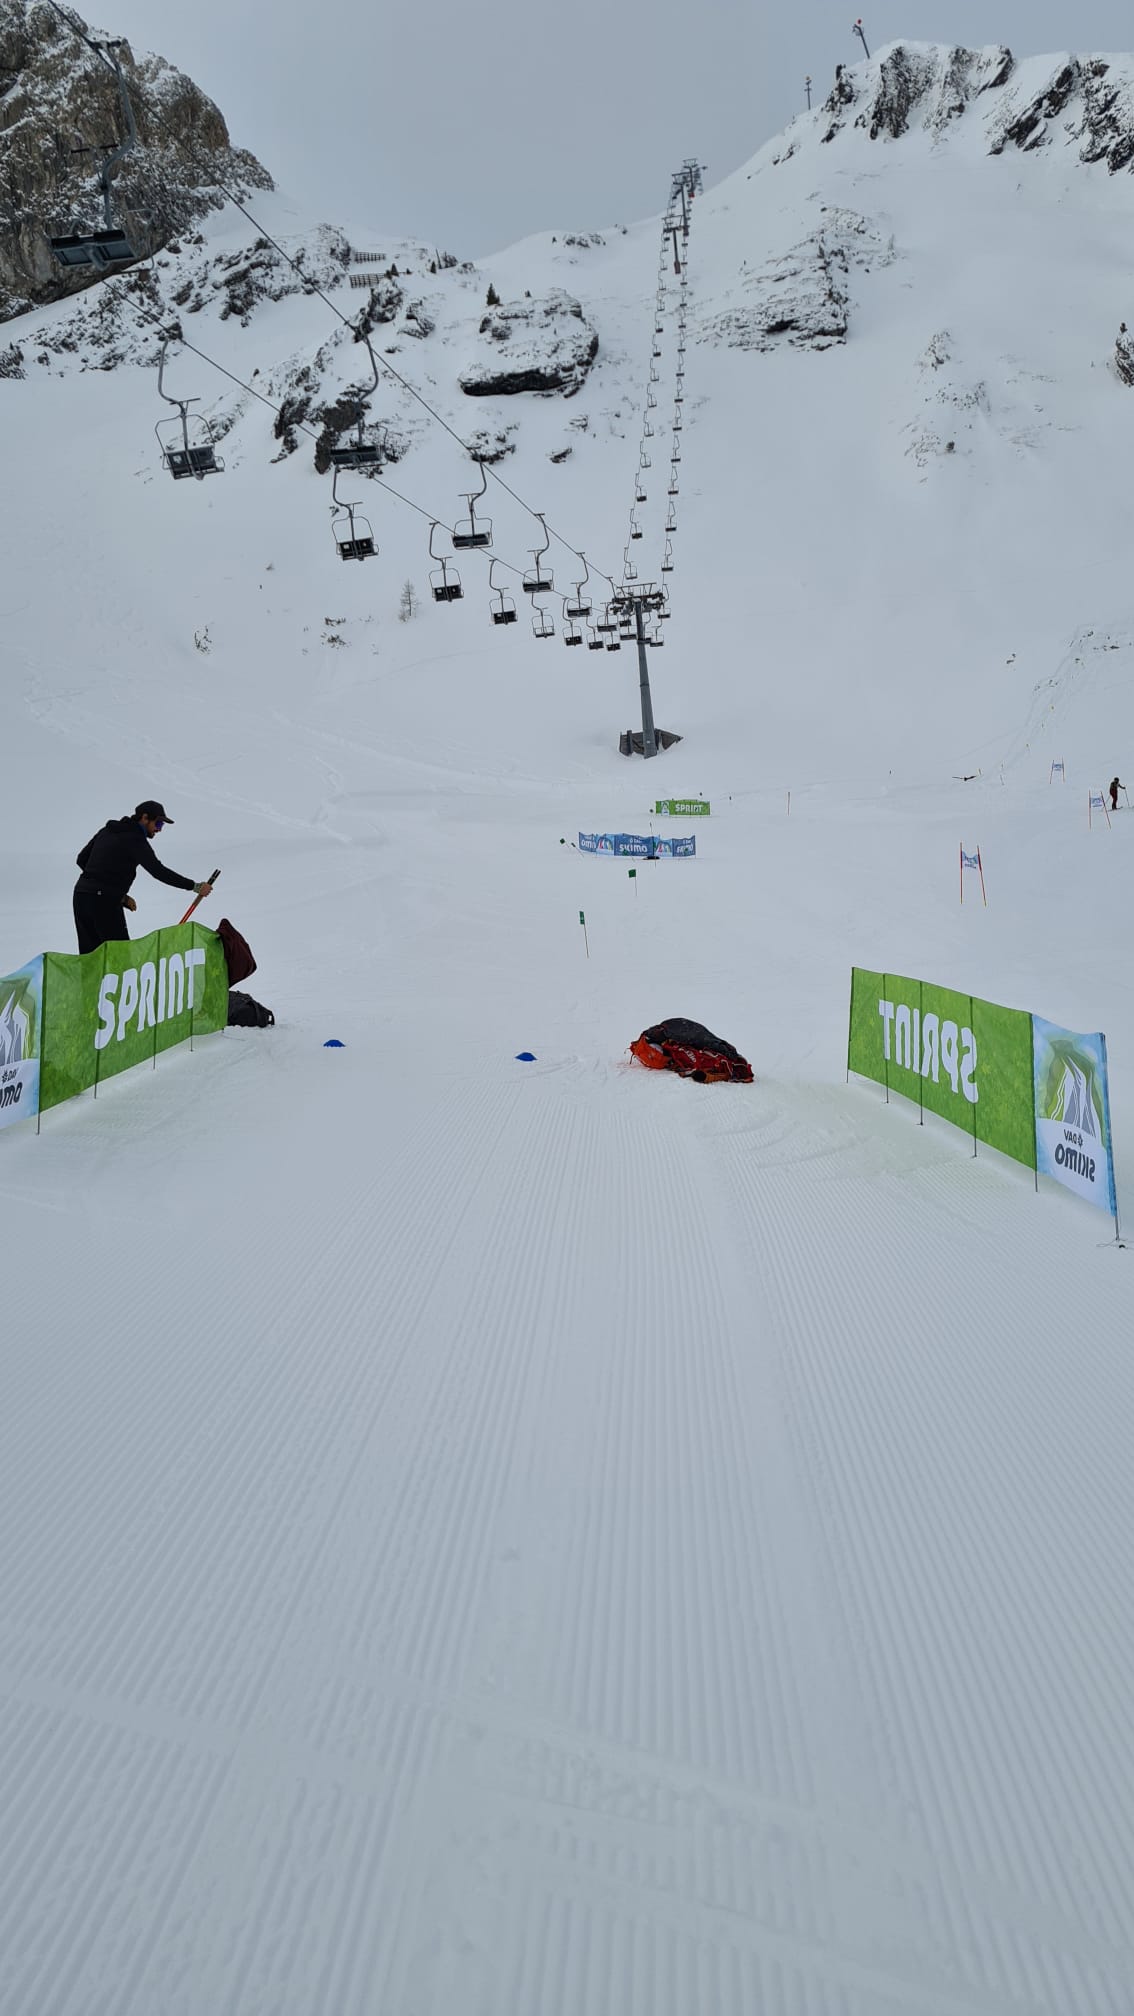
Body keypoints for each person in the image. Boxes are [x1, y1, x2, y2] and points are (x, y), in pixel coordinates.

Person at [73, 800, 212, 955]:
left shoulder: (107, 831)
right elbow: (158, 870)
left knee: (89, 956)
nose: (159, 830)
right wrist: (195, 886)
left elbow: (82, 859)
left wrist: (119, 895)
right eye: (158, 824)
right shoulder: (134, 838)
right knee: (120, 957)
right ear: (144, 818)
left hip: (81, 896)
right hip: (103, 900)